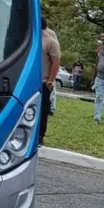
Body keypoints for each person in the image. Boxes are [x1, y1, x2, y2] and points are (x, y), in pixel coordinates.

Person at [39, 17, 61, 145]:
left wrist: (50, 81)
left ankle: (40, 136)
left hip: (44, 82)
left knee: (43, 110)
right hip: (31, 82)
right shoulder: (33, 39)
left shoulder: (51, 42)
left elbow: (56, 62)